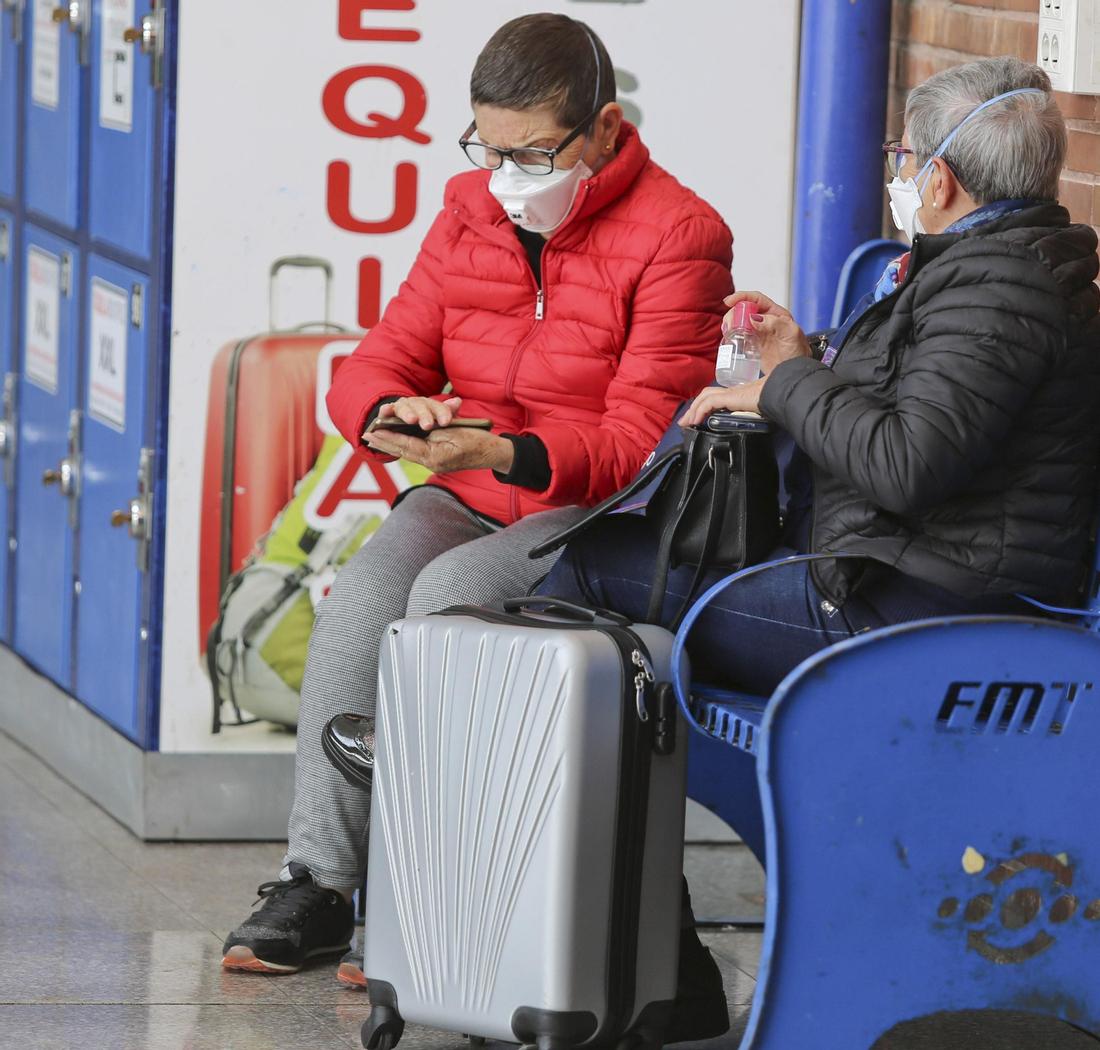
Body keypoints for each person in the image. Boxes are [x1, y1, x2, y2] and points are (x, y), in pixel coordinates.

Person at [221, 14, 734, 1035]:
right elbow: (384, 354)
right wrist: (387, 413)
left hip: (597, 512)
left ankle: (414, 908)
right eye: (486, 148)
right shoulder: (468, 210)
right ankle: (320, 883)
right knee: (364, 599)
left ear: (601, 130)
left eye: (530, 152)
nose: (503, 172)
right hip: (471, 486)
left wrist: (501, 452)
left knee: (446, 605)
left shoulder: (682, 234)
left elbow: (637, 439)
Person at [534, 55, 1100, 695]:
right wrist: (805, 360)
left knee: (594, 565)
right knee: (623, 572)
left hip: (920, 613)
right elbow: (918, 402)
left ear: (939, 182)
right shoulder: (996, 267)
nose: (902, 174)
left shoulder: (1000, 288)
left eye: (906, 158)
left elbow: (905, 464)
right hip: (899, 576)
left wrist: (783, 387)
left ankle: (525, 789)